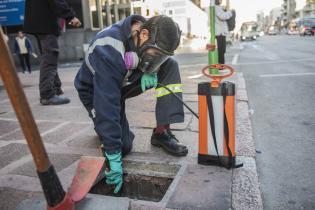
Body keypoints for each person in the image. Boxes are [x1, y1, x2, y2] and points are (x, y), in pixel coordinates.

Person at [74, 15, 188, 193]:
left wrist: (153, 68)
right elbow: (107, 102)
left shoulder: (148, 35)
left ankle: (161, 132)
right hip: (97, 90)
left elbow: (158, 58)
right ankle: (104, 130)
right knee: (122, 147)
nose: (156, 60)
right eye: (155, 55)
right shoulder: (108, 48)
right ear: (143, 34)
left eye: (160, 57)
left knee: (170, 65)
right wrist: (113, 153)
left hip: (125, 79)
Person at [23, 0, 81, 105]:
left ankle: (55, 88)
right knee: (50, 57)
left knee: (48, 57)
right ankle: (47, 95)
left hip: (36, 20)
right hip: (46, 22)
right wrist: (70, 16)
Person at [215, 0, 233, 64]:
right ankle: (221, 66)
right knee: (221, 50)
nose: (221, 1)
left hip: (221, 32)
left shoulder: (218, 7)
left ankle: (221, 65)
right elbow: (222, 17)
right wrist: (229, 12)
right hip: (219, 33)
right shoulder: (216, 8)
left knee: (222, 50)